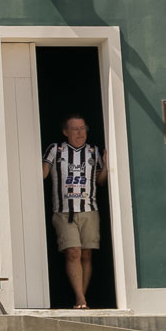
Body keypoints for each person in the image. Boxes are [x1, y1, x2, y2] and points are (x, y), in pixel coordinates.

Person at [42, 113, 107, 309]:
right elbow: (42, 174)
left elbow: (101, 181)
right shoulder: (56, 150)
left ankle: (82, 298)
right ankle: (80, 298)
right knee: (73, 252)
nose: (80, 133)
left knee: (86, 254)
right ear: (65, 132)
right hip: (64, 212)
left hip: (89, 210)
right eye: (75, 129)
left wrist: (108, 163)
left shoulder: (94, 152)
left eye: (83, 128)